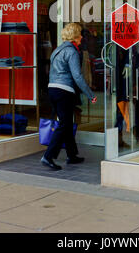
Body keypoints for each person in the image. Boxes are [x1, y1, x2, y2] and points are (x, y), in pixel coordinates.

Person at [41, 23, 97, 171]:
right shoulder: (72, 52)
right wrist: (90, 95)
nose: (82, 37)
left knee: (66, 122)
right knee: (64, 124)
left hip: (53, 89)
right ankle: (48, 156)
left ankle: (72, 155)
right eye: (80, 34)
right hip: (64, 91)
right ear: (75, 37)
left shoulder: (57, 50)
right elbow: (77, 76)